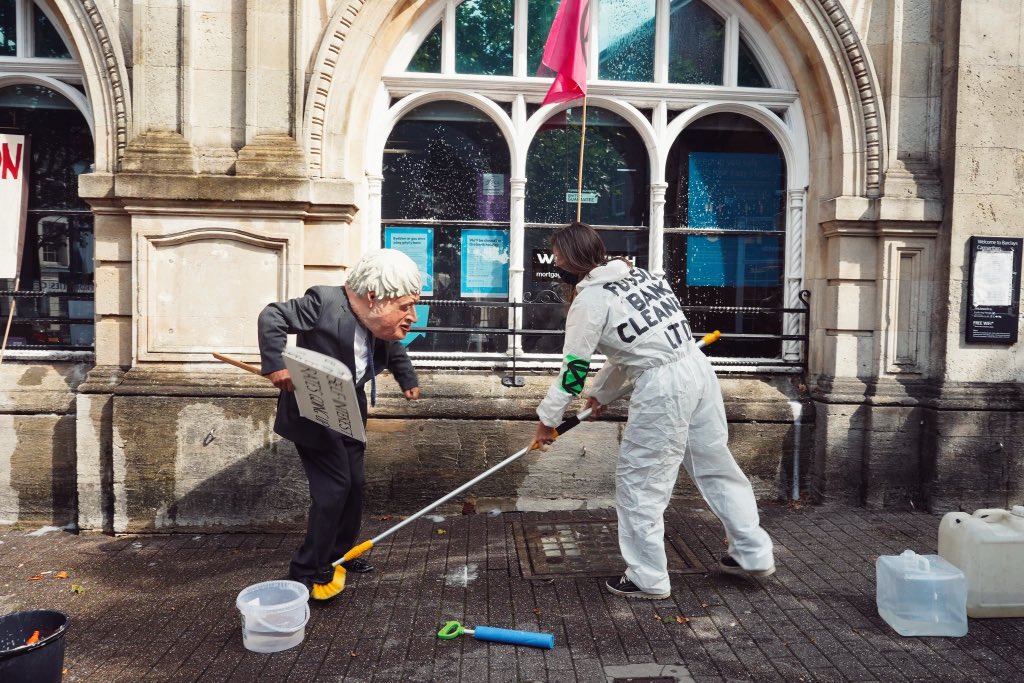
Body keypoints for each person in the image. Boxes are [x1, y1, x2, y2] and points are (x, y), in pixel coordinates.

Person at [531, 222, 775, 600]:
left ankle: (648, 578)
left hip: (665, 387)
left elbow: (574, 369)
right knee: (715, 465)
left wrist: (548, 421)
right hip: (694, 369)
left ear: (574, 257)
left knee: (641, 481)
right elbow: (638, 344)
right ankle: (752, 552)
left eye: (559, 254)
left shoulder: (590, 300)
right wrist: (602, 394)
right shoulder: (639, 276)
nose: (557, 261)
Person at [258, 249, 422, 598]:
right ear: (375, 297)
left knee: (355, 484)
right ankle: (306, 569)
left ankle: (340, 556)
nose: (413, 316)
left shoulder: (376, 319)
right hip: (315, 410)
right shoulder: (323, 302)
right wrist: (276, 364)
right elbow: (272, 316)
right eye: (405, 306)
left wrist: (407, 378)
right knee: (333, 490)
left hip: (349, 408)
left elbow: (393, 345)